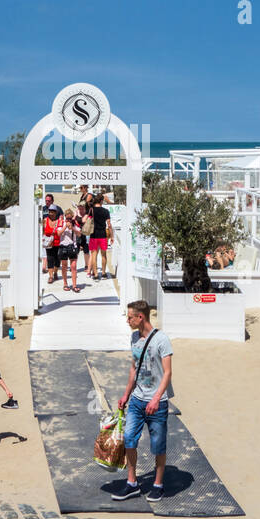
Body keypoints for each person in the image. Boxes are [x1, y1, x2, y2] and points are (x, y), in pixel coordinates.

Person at [113, 300, 173, 502]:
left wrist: (156, 399)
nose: (128, 320)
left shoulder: (162, 340)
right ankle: (132, 483)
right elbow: (134, 367)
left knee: (158, 445)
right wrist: (126, 394)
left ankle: (158, 484)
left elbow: (167, 373)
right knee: (129, 439)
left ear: (141, 317)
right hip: (138, 400)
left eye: (130, 317)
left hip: (157, 402)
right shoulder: (133, 337)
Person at [88, 193, 113, 279]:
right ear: (102, 201)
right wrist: (112, 236)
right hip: (103, 234)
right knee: (103, 255)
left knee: (94, 255)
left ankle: (95, 274)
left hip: (93, 234)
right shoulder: (106, 211)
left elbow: (87, 220)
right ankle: (103, 273)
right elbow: (109, 225)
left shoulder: (91, 210)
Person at [58, 209, 79, 292]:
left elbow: (79, 234)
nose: (69, 220)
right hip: (63, 246)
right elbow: (58, 234)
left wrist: (73, 228)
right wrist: (65, 226)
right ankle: (65, 284)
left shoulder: (75, 223)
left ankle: (74, 285)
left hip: (72, 246)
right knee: (64, 266)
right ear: (65, 217)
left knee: (73, 266)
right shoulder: (61, 223)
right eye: (67, 218)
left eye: (70, 219)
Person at [43, 207, 63, 285]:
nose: (51, 213)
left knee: (58, 259)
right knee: (50, 259)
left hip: (58, 243)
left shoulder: (59, 221)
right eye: (50, 212)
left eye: (52, 212)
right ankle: (51, 276)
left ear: (56, 213)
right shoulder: (45, 220)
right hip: (49, 243)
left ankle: (55, 272)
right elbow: (42, 230)